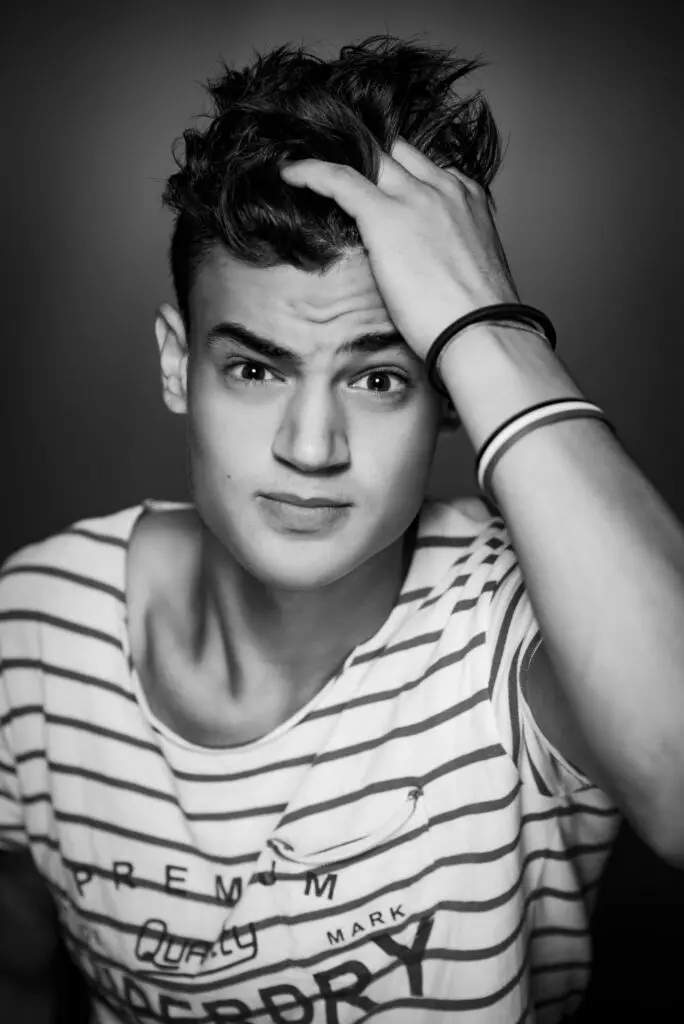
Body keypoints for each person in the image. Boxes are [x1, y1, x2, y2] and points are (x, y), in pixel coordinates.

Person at [2, 32, 684, 1024]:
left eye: (378, 376)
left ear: (449, 388)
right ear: (174, 363)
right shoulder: (32, 632)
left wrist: (486, 323)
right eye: (256, 368)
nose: (312, 446)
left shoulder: (519, 619)